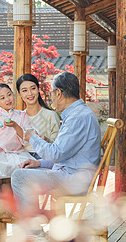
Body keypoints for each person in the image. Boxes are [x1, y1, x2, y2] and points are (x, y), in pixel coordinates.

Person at [11, 72, 101, 213]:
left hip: (74, 180)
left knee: (19, 177)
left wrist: (32, 137)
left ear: (58, 93)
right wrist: (39, 163)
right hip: (72, 174)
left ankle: (32, 229)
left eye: (52, 93)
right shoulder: (78, 114)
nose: (51, 97)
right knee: (25, 170)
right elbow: (65, 155)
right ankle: (36, 223)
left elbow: (56, 154)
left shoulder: (77, 118)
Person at [0, 83, 35, 176]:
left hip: (19, 154)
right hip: (1, 156)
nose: (8, 100)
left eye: (9, 95)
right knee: (2, 174)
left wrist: (15, 126)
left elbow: (27, 138)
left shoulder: (22, 115)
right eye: (2, 98)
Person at [15, 74, 60, 159]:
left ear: (38, 89)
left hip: (45, 159)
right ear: (19, 94)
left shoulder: (51, 115)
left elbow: (59, 146)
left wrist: (46, 139)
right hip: (22, 157)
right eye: (24, 90)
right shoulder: (18, 117)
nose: (30, 93)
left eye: (33, 88)